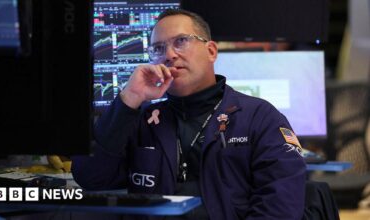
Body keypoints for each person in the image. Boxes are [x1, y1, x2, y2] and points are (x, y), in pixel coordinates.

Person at [72, 9, 306, 220]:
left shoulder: (259, 117)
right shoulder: (141, 120)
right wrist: (129, 98)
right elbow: (91, 178)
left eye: (181, 41)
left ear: (211, 51)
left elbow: (281, 207)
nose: (169, 55)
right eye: (158, 49)